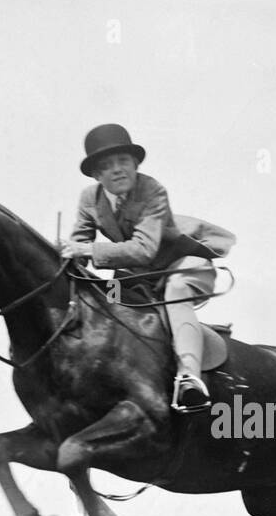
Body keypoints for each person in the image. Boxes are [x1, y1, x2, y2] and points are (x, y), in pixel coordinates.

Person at [61, 124, 235, 413]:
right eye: (107, 166)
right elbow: (79, 247)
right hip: (134, 276)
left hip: (182, 265)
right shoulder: (89, 199)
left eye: (123, 162)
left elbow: (143, 250)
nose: (117, 170)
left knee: (176, 290)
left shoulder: (153, 190)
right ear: (97, 175)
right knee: (106, 301)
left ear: (136, 164)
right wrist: (64, 256)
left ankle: (189, 378)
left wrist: (87, 250)